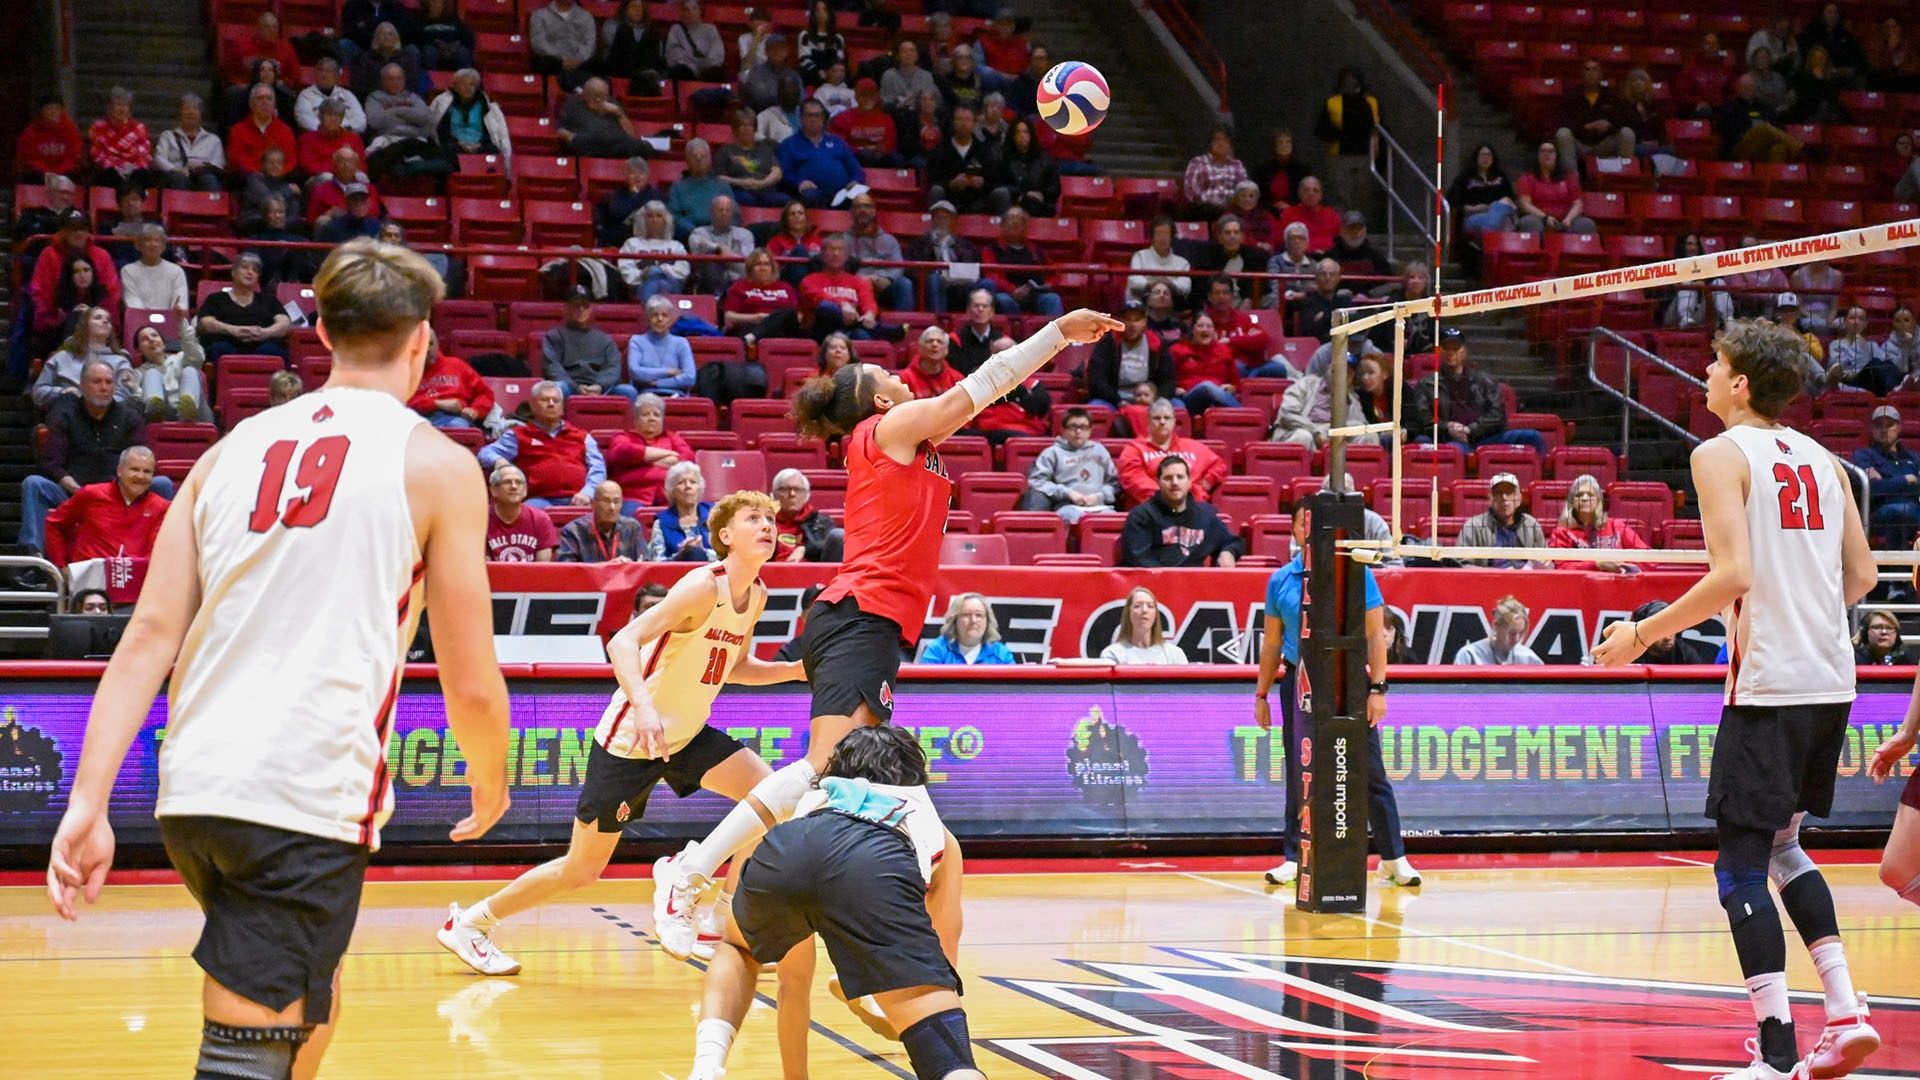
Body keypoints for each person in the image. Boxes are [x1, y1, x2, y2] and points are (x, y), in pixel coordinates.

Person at [45, 239, 511, 1080]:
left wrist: (89, 799)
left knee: (313, 991)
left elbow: (147, 636)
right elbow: (470, 677)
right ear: (423, 341)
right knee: (248, 1052)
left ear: (321, 333)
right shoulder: (438, 464)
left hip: (193, 791)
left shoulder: (226, 451)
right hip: (299, 793)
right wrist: (490, 777)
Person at [651, 308, 1120, 957]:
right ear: (878, 399)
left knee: (844, 783)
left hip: (870, 620)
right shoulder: (885, 428)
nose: (901, 377)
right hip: (860, 613)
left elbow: (977, 398)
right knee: (821, 770)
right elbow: (981, 385)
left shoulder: (907, 440)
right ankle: (689, 872)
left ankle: (790, 914)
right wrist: (1059, 333)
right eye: (888, 374)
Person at [1594, 318, 1880, 1080]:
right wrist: (1804, 609)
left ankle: (1777, 1053)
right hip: (1831, 680)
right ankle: (1845, 1013)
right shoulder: (1826, 460)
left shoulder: (1719, 453)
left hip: (1770, 685)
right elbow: (1862, 577)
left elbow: (1734, 576)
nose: (1706, 377)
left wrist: (1641, 634)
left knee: (1740, 865)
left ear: (1742, 383)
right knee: (1785, 845)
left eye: (1715, 365)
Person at [447, 486, 802, 974]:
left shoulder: (757, 594)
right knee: (581, 870)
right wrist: (645, 708)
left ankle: (715, 916)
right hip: (633, 739)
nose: (767, 526)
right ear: (725, 535)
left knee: (772, 800)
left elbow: (736, 667)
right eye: (754, 518)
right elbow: (623, 641)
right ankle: (471, 922)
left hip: (686, 735)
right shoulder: (703, 586)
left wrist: (796, 670)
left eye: (771, 520)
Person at [688, 726, 973, 1080]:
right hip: (877, 859)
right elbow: (942, 964)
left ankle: (707, 1064)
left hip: (789, 846)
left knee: (738, 948)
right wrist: (919, 1015)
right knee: (948, 1060)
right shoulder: (934, 827)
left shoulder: (810, 802)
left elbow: (793, 985)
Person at [1254, 504, 1416, 888]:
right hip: (1300, 682)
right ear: (1294, 531)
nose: (1310, 531)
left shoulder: (1357, 573)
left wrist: (1377, 688)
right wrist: (1261, 694)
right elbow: (1272, 642)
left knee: (1370, 771)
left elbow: (1374, 635)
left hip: (1348, 679)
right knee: (1300, 772)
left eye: (1316, 525)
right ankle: (1294, 857)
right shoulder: (1280, 580)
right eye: (1302, 524)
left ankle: (1393, 858)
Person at [21, 358, 160, 554]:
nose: (104, 388)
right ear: (82, 384)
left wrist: (121, 490)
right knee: (34, 484)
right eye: (97, 382)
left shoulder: (129, 416)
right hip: (74, 495)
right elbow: (51, 464)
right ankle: (34, 557)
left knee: (162, 484)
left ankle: (161, 555)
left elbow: (145, 459)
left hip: (121, 494)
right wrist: (80, 492)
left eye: (108, 382)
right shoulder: (64, 414)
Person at [1405, 328, 1548, 455]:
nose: (1451, 353)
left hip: (1485, 438)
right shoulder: (1427, 384)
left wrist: (1471, 429)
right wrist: (1448, 427)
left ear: (1464, 351)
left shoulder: (1484, 381)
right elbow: (1423, 419)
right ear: (1439, 351)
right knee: (1454, 449)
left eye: (1455, 348)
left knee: (1532, 437)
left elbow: (1497, 415)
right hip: (1449, 440)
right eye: (1446, 348)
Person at [478, 381, 603, 508]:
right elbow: (485, 453)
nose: (551, 404)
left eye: (556, 401)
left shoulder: (582, 436)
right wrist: (498, 460)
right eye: (545, 400)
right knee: (525, 514)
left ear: (562, 406)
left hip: (578, 499)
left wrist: (588, 493)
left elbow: (598, 468)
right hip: (537, 500)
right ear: (532, 405)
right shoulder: (519, 435)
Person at [41, 446, 165, 569]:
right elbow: (54, 524)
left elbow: (155, 553)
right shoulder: (91, 494)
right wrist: (61, 566)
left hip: (136, 577)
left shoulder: (161, 507)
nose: (140, 476)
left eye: (147, 471)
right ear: (119, 471)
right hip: (89, 577)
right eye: (134, 469)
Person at [1120, 457, 1241, 568]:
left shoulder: (1206, 515)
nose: (1175, 482)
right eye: (1168, 478)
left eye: (1180, 477)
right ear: (1158, 483)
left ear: (1189, 482)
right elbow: (1139, 560)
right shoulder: (1141, 516)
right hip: (1153, 582)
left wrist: (1228, 552)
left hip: (1194, 582)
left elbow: (1233, 542)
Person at [1116, 397, 1226, 506]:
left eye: (1167, 418)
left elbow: (1219, 465)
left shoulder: (1193, 446)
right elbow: (1135, 482)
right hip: (1152, 508)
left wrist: (1208, 480)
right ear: (1148, 422)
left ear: (1174, 422)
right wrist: (1171, 499)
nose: (1162, 422)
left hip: (1194, 507)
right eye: (1157, 418)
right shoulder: (1135, 449)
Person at [1020, 406, 1117, 523]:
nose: (1078, 432)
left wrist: (1099, 496)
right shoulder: (1053, 452)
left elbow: (1114, 483)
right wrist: (1067, 493)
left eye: (1083, 427)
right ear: (1063, 430)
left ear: (1090, 430)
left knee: (1113, 521)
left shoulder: (1100, 451)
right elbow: (1037, 481)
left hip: (1100, 506)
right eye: (1073, 427)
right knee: (1072, 518)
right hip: (1068, 507)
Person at [33, 306, 135, 412]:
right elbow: (38, 392)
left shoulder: (121, 361)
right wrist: (63, 392)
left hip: (108, 415)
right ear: (85, 325)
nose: (105, 321)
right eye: (98, 318)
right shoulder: (61, 357)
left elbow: (125, 396)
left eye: (108, 320)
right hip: (67, 412)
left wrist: (97, 404)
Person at [603, 393, 692, 512]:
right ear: (635, 420)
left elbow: (687, 459)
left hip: (669, 496)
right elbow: (623, 452)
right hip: (633, 496)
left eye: (657, 415)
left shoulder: (672, 438)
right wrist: (668, 454)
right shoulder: (623, 437)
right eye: (645, 414)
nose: (652, 418)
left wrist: (642, 461)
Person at [196, 254, 291, 364]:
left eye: (255, 270)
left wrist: (265, 333)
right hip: (226, 345)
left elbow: (285, 324)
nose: (250, 272)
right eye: (245, 267)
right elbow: (205, 323)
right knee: (219, 348)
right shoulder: (216, 298)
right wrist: (232, 330)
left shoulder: (269, 300)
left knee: (272, 351)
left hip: (261, 345)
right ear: (233, 272)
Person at [1854, 405, 1920, 548]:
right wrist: (1905, 479)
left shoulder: (1913, 457)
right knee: (1900, 511)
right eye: (1879, 426)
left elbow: (1918, 487)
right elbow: (1872, 489)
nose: (1884, 430)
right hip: (1880, 513)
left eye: (1889, 425)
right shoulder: (1863, 455)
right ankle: (1900, 561)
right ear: (1872, 429)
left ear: (1899, 427)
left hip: (1915, 510)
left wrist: (1886, 481)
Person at [778, 99, 864, 208]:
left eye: (817, 115)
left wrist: (855, 181)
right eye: (809, 115)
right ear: (801, 118)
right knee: (809, 197)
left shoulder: (837, 141)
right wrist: (799, 183)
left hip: (841, 192)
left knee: (860, 199)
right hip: (810, 194)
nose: (813, 119)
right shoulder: (789, 144)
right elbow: (785, 174)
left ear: (823, 118)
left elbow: (856, 170)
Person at [1315, 66, 1379, 213]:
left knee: (1363, 195)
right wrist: (1335, 134)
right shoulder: (1333, 102)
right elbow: (1321, 128)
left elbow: (1377, 127)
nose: (1351, 82)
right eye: (1348, 79)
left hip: (1365, 155)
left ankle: (1361, 223)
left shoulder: (1371, 102)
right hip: (1340, 155)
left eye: (1354, 79)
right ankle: (1341, 222)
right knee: (1341, 195)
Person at [1454, 473, 1548, 568]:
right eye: (1498, 493)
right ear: (1490, 499)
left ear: (1519, 498)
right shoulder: (1473, 526)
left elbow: (1548, 563)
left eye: (1509, 492)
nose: (1504, 497)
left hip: (1527, 576)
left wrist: (1544, 565)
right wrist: (1497, 574)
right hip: (1490, 577)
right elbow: (1461, 566)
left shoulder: (1532, 525)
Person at [542, 287, 624, 396]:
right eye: (576, 305)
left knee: (627, 390)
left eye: (585, 306)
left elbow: (613, 367)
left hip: (600, 388)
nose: (581, 309)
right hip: (569, 387)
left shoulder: (604, 339)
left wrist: (600, 385)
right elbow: (553, 368)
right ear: (566, 308)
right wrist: (575, 387)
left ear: (591, 309)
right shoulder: (554, 337)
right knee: (559, 388)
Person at [1555, 58, 1636, 168]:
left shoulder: (1610, 95)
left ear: (1601, 74)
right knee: (1562, 133)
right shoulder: (1571, 95)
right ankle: (1572, 176)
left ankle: (1626, 173)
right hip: (1580, 143)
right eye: (1587, 69)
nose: (1590, 73)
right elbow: (1562, 121)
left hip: (1604, 143)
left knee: (1627, 133)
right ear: (1582, 73)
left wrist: (1609, 126)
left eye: (1594, 69)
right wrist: (1586, 127)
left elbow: (1624, 119)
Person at [131, 308, 205, 423]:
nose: (151, 340)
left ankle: (187, 408)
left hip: (196, 415)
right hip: (163, 417)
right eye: (145, 339)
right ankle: (155, 408)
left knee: (190, 370)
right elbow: (137, 397)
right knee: (151, 374)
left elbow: (197, 357)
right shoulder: (138, 373)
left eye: (154, 336)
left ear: (163, 343)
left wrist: (182, 322)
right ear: (138, 350)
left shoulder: (181, 358)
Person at [405, 333, 493, 429]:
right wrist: (436, 404)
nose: (428, 350)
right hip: (418, 419)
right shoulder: (407, 371)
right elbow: (400, 403)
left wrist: (475, 410)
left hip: (454, 419)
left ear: (437, 344)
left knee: (460, 426)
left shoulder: (457, 365)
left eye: (431, 343)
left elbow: (485, 394)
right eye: (422, 346)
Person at [558, 78, 652, 160]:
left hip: (619, 149)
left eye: (605, 96)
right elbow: (563, 131)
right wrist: (573, 138)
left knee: (644, 148)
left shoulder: (612, 103)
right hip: (591, 150)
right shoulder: (573, 104)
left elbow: (631, 136)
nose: (605, 99)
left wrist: (619, 113)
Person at [429, 68, 510, 162]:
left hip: (480, 145)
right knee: (445, 151)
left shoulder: (486, 106)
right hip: (454, 145)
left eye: (472, 85)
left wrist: (479, 145)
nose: (468, 88)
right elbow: (441, 130)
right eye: (464, 84)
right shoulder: (443, 103)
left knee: (493, 151)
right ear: (455, 86)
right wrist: (460, 143)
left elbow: (491, 133)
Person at [1514, 142, 1596, 235]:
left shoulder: (1570, 177)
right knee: (1529, 222)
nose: (1546, 154)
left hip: (1566, 219)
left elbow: (1578, 204)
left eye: (1551, 151)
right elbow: (1525, 204)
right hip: (1539, 218)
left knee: (1586, 224)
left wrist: (1568, 219)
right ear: (1537, 156)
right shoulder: (1526, 178)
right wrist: (1545, 217)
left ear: (1557, 156)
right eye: (1543, 151)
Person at [847, 193, 911, 311]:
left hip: (883, 285)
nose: (862, 210)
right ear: (851, 212)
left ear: (874, 211)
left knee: (904, 284)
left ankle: (904, 322)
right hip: (853, 287)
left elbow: (899, 267)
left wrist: (886, 279)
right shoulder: (841, 240)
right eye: (858, 207)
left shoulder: (889, 240)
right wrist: (860, 279)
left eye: (867, 206)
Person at [484, 462, 558, 561]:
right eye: (507, 482)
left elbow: (543, 567)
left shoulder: (541, 519)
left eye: (518, 482)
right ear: (494, 490)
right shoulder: (481, 519)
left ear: (525, 490)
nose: (514, 486)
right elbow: (483, 565)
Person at [557, 480, 646, 563]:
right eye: (606, 501)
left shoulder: (632, 528)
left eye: (616, 502)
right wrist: (605, 568)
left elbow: (646, 563)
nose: (612, 507)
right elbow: (566, 570)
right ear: (593, 504)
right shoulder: (573, 532)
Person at [617, 202, 691, 301]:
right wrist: (644, 274)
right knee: (653, 284)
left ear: (666, 221)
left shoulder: (676, 246)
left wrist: (659, 270)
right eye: (650, 216)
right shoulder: (631, 243)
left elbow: (683, 271)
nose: (654, 220)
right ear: (642, 220)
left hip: (670, 285)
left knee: (662, 283)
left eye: (659, 216)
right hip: (640, 287)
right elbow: (627, 272)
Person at [154, 95, 227, 191]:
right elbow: (159, 159)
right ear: (180, 114)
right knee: (179, 179)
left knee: (209, 180)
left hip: (203, 175)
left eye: (195, 109)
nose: (191, 112)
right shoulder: (167, 136)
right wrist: (177, 169)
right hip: (176, 175)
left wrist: (201, 166)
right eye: (187, 109)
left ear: (201, 114)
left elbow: (218, 164)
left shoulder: (213, 140)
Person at [919, 593, 1016, 664]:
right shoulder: (937, 650)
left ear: (987, 621)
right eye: (966, 614)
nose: (973, 620)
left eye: (979, 615)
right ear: (954, 619)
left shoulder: (1001, 654)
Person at [1100, 585, 1187, 664]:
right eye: (1137, 606)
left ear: (1156, 615)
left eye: (1150, 606)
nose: (1144, 610)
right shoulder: (1113, 654)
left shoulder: (1174, 654)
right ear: (1128, 613)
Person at [772, 469, 844, 562]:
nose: (792, 494)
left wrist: (805, 549)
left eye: (798, 490)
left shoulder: (821, 521)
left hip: (816, 570)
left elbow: (831, 545)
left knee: (839, 535)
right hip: (769, 569)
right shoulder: (764, 521)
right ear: (774, 494)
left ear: (806, 495)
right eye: (785, 489)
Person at [650, 460, 715, 562]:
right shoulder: (661, 523)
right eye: (681, 483)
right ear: (673, 491)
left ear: (699, 489)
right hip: (676, 571)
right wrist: (682, 554)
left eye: (693, 482)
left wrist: (704, 552)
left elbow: (729, 555)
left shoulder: (715, 516)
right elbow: (657, 561)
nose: (688, 486)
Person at [1453, 596, 1545, 665]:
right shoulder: (1469, 655)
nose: (1517, 639)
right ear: (1496, 625)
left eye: (1521, 633)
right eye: (1512, 633)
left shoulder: (1529, 658)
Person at [602, 0, 669, 94]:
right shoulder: (613, 25)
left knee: (652, 32)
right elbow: (613, 47)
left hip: (645, 69)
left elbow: (658, 54)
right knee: (625, 30)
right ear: (625, 9)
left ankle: (645, 74)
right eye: (633, 6)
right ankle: (638, 74)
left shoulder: (650, 31)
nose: (637, 10)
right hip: (620, 68)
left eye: (640, 7)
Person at [16, 94, 84, 181]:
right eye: (49, 108)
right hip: (39, 174)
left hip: (65, 173)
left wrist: (59, 172)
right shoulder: (31, 131)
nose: (53, 112)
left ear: (62, 110)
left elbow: (74, 156)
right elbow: (30, 157)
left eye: (56, 108)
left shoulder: (71, 130)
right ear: (41, 111)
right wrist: (47, 172)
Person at [1182, 127, 1247, 216]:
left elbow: (1243, 189)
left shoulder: (1237, 164)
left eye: (1225, 140)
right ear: (1210, 143)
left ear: (1230, 144)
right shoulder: (1197, 162)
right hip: (1205, 209)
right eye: (1217, 139)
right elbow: (1190, 191)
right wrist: (1209, 202)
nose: (1221, 143)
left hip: (1232, 209)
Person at [1129, 216, 1191, 303]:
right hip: (1141, 304)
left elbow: (1185, 287)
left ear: (1172, 237)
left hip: (1171, 306)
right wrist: (1155, 284)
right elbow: (1134, 282)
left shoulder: (1183, 263)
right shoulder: (1140, 256)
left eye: (1166, 234)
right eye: (1158, 234)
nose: (1162, 238)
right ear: (1152, 236)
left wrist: (1168, 285)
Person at [664, 0, 727, 81]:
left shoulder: (710, 29)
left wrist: (705, 66)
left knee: (716, 73)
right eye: (686, 9)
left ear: (700, 11)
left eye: (694, 8)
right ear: (682, 13)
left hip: (707, 69)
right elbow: (673, 53)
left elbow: (717, 51)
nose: (690, 12)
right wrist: (692, 67)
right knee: (678, 71)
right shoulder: (676, 29)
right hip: (686, 69)